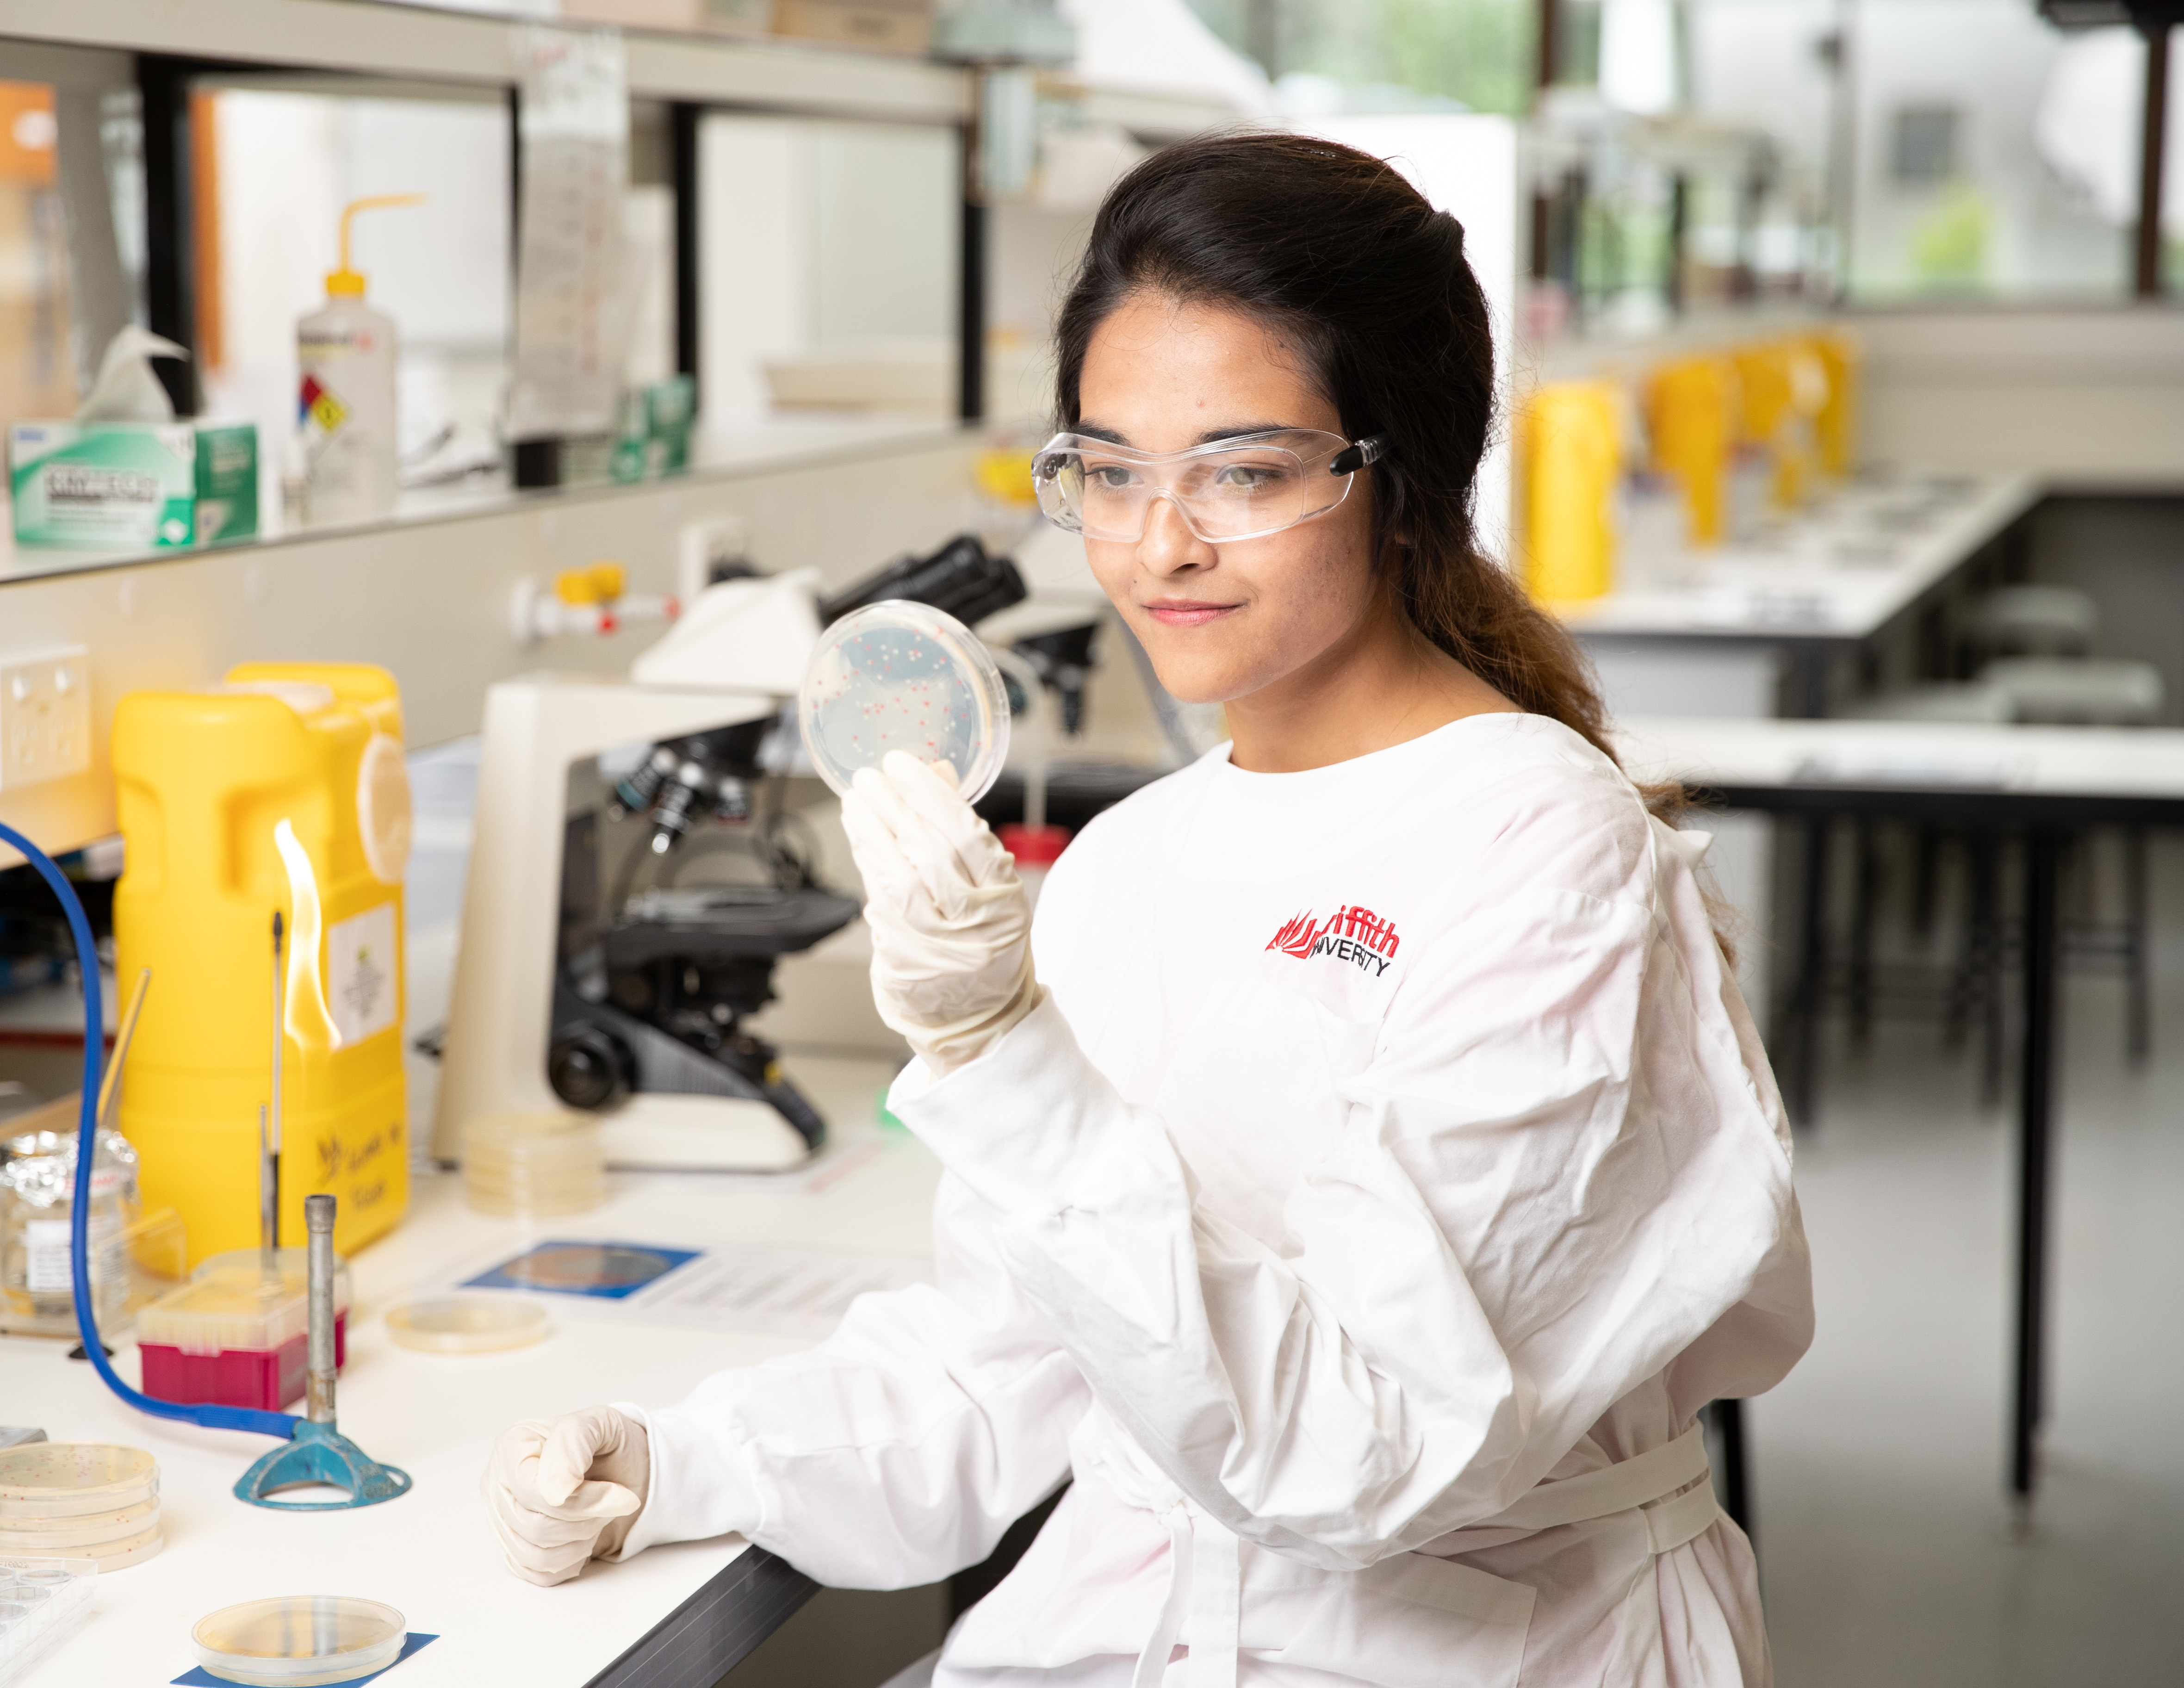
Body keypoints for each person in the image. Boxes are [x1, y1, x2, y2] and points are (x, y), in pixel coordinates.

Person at [484, 131, 1812, 1687]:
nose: (1157, 542)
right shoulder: (1129, 862)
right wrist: (682, 1462)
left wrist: (1004, 1054)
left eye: (1240, 472)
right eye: (1107, 471)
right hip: (1132, 1634)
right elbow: (1005, 1375)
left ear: (1401, 476)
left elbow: (1361, 1461)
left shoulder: (1541, 847)